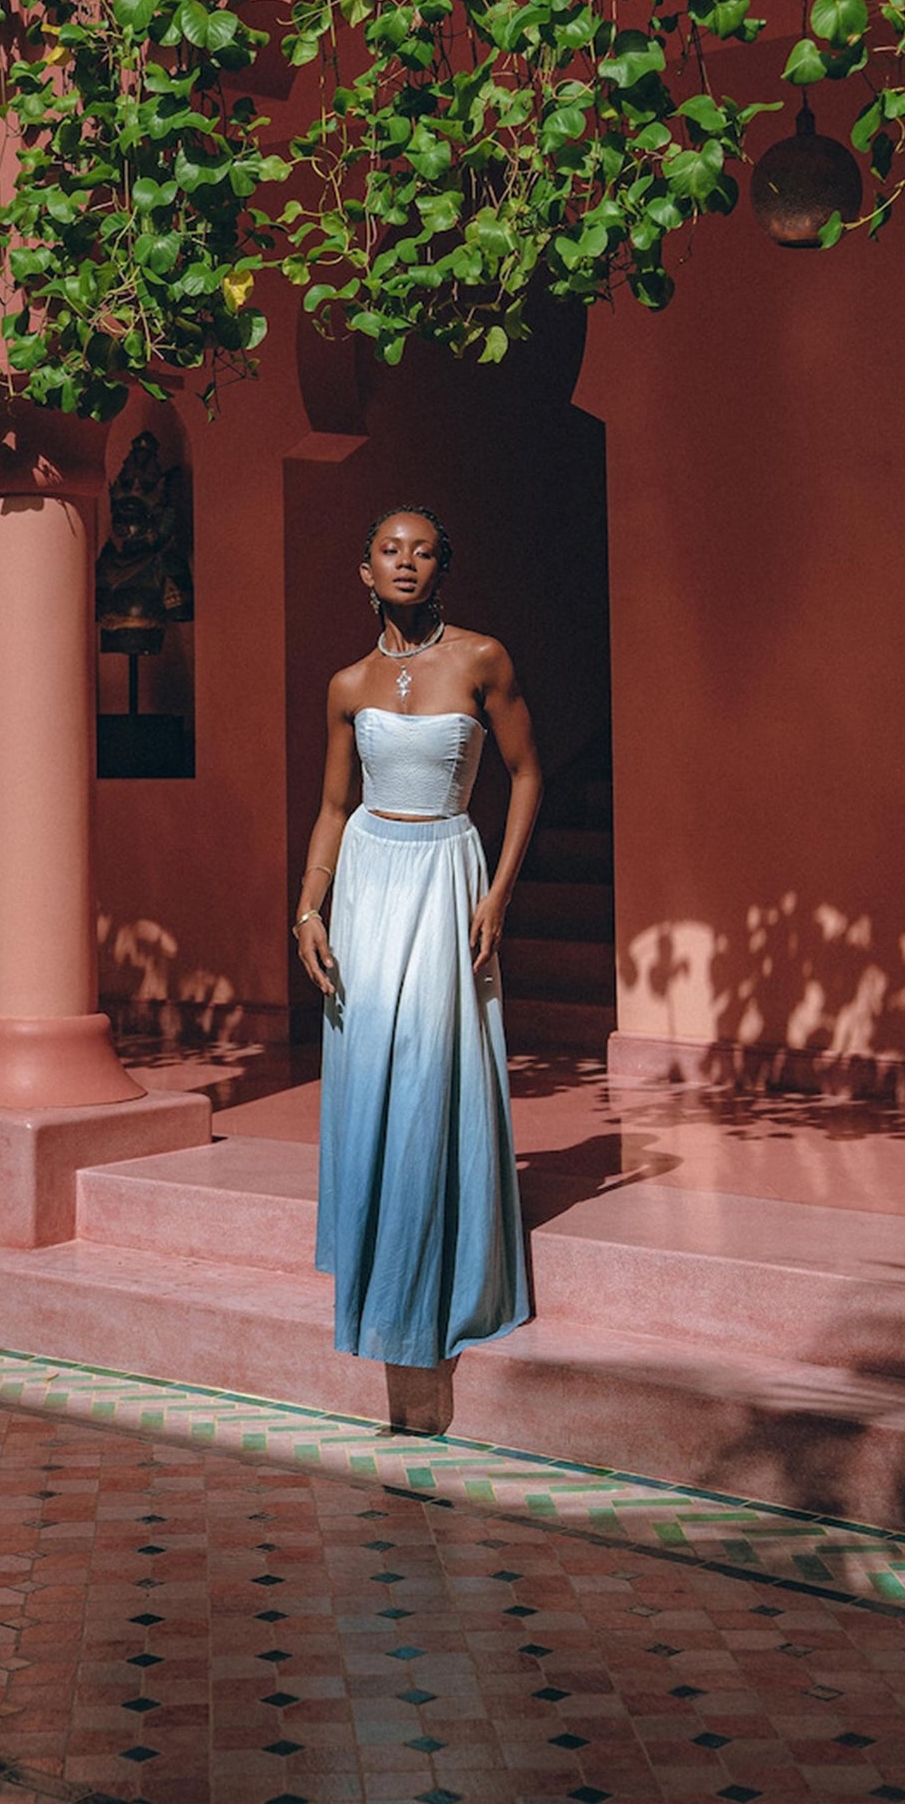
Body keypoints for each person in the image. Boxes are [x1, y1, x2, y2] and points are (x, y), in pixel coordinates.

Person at [294, 506, 543, 1368]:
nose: (406, 563)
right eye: (389, 551)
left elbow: (525, 775)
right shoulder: (347, 684)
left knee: (432, 1062)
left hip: (444, 870)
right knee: (368, 1064)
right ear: (364, 573)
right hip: (366, 875)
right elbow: (332, 807)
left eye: (423, 550)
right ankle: (370, 1260)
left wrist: (499, 894)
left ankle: (431, 1278)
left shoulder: (482, 659)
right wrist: (307, 910)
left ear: (443, 568)